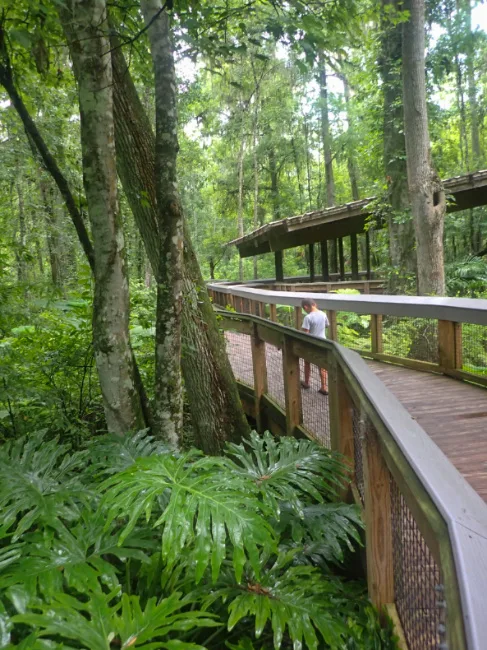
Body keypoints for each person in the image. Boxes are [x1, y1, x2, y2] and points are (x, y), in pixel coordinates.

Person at [300, 298, 329, 395]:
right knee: (322, 365)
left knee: (307, 362)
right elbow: (326, 325)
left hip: (311, 344)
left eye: (305, 309)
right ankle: (324, 386)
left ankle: (307, 382)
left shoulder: (308, 317)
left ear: (306, 307)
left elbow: (306, 333)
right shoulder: (323, 314)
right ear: (315, 304)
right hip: (323, 342)